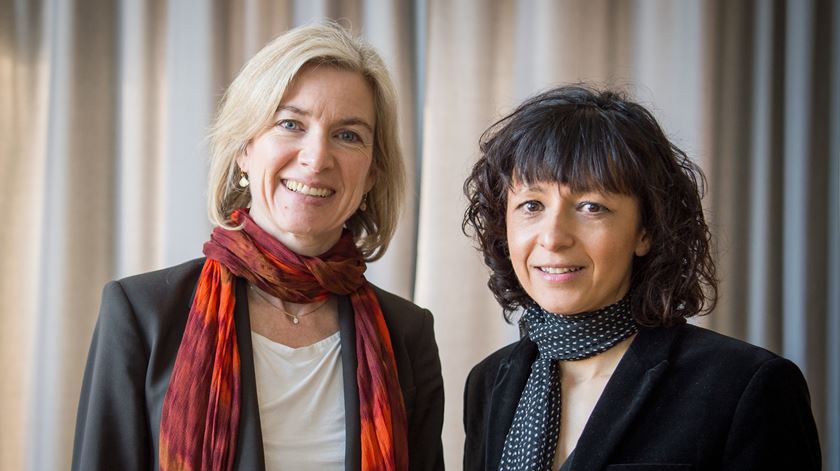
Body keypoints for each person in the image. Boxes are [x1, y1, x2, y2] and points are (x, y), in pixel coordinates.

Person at [73, 22, 444, 471]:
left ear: (371, 175)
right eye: (290, 124)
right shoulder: (141, 313)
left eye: (348, 135)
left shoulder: (407, 333)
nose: (316, 158)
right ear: (244, 149)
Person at [461, 85, 821, 470]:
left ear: (645, 230)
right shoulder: (488, 382)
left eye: (591, 207)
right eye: (531, 205)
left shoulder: (746, 386)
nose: (552, 237)